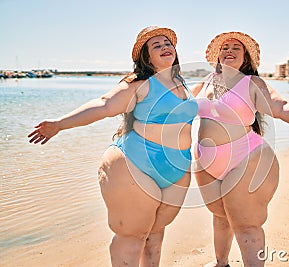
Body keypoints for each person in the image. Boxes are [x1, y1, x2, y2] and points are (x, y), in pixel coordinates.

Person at [28, 26, 198, 266]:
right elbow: (105, 104)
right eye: (156, 45)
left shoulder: (183, 84)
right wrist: (60, 124)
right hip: (136, 164)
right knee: (132, 236)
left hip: (177, 167)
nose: (164, 47)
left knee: (155, 233)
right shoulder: (140, 84)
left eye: (167, 43)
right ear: (146, 57)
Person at [191, 32, 289, 267]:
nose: (229, 50)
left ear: (245, 58)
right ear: (218, 55)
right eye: (225, 47)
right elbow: (174, 105)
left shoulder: (252, 84)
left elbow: (282, 107)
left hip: (245, 157)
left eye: (236, 48)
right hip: (207, 160)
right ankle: (221, 263)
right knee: (221, 215)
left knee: (246, 223)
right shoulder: (206, 82)